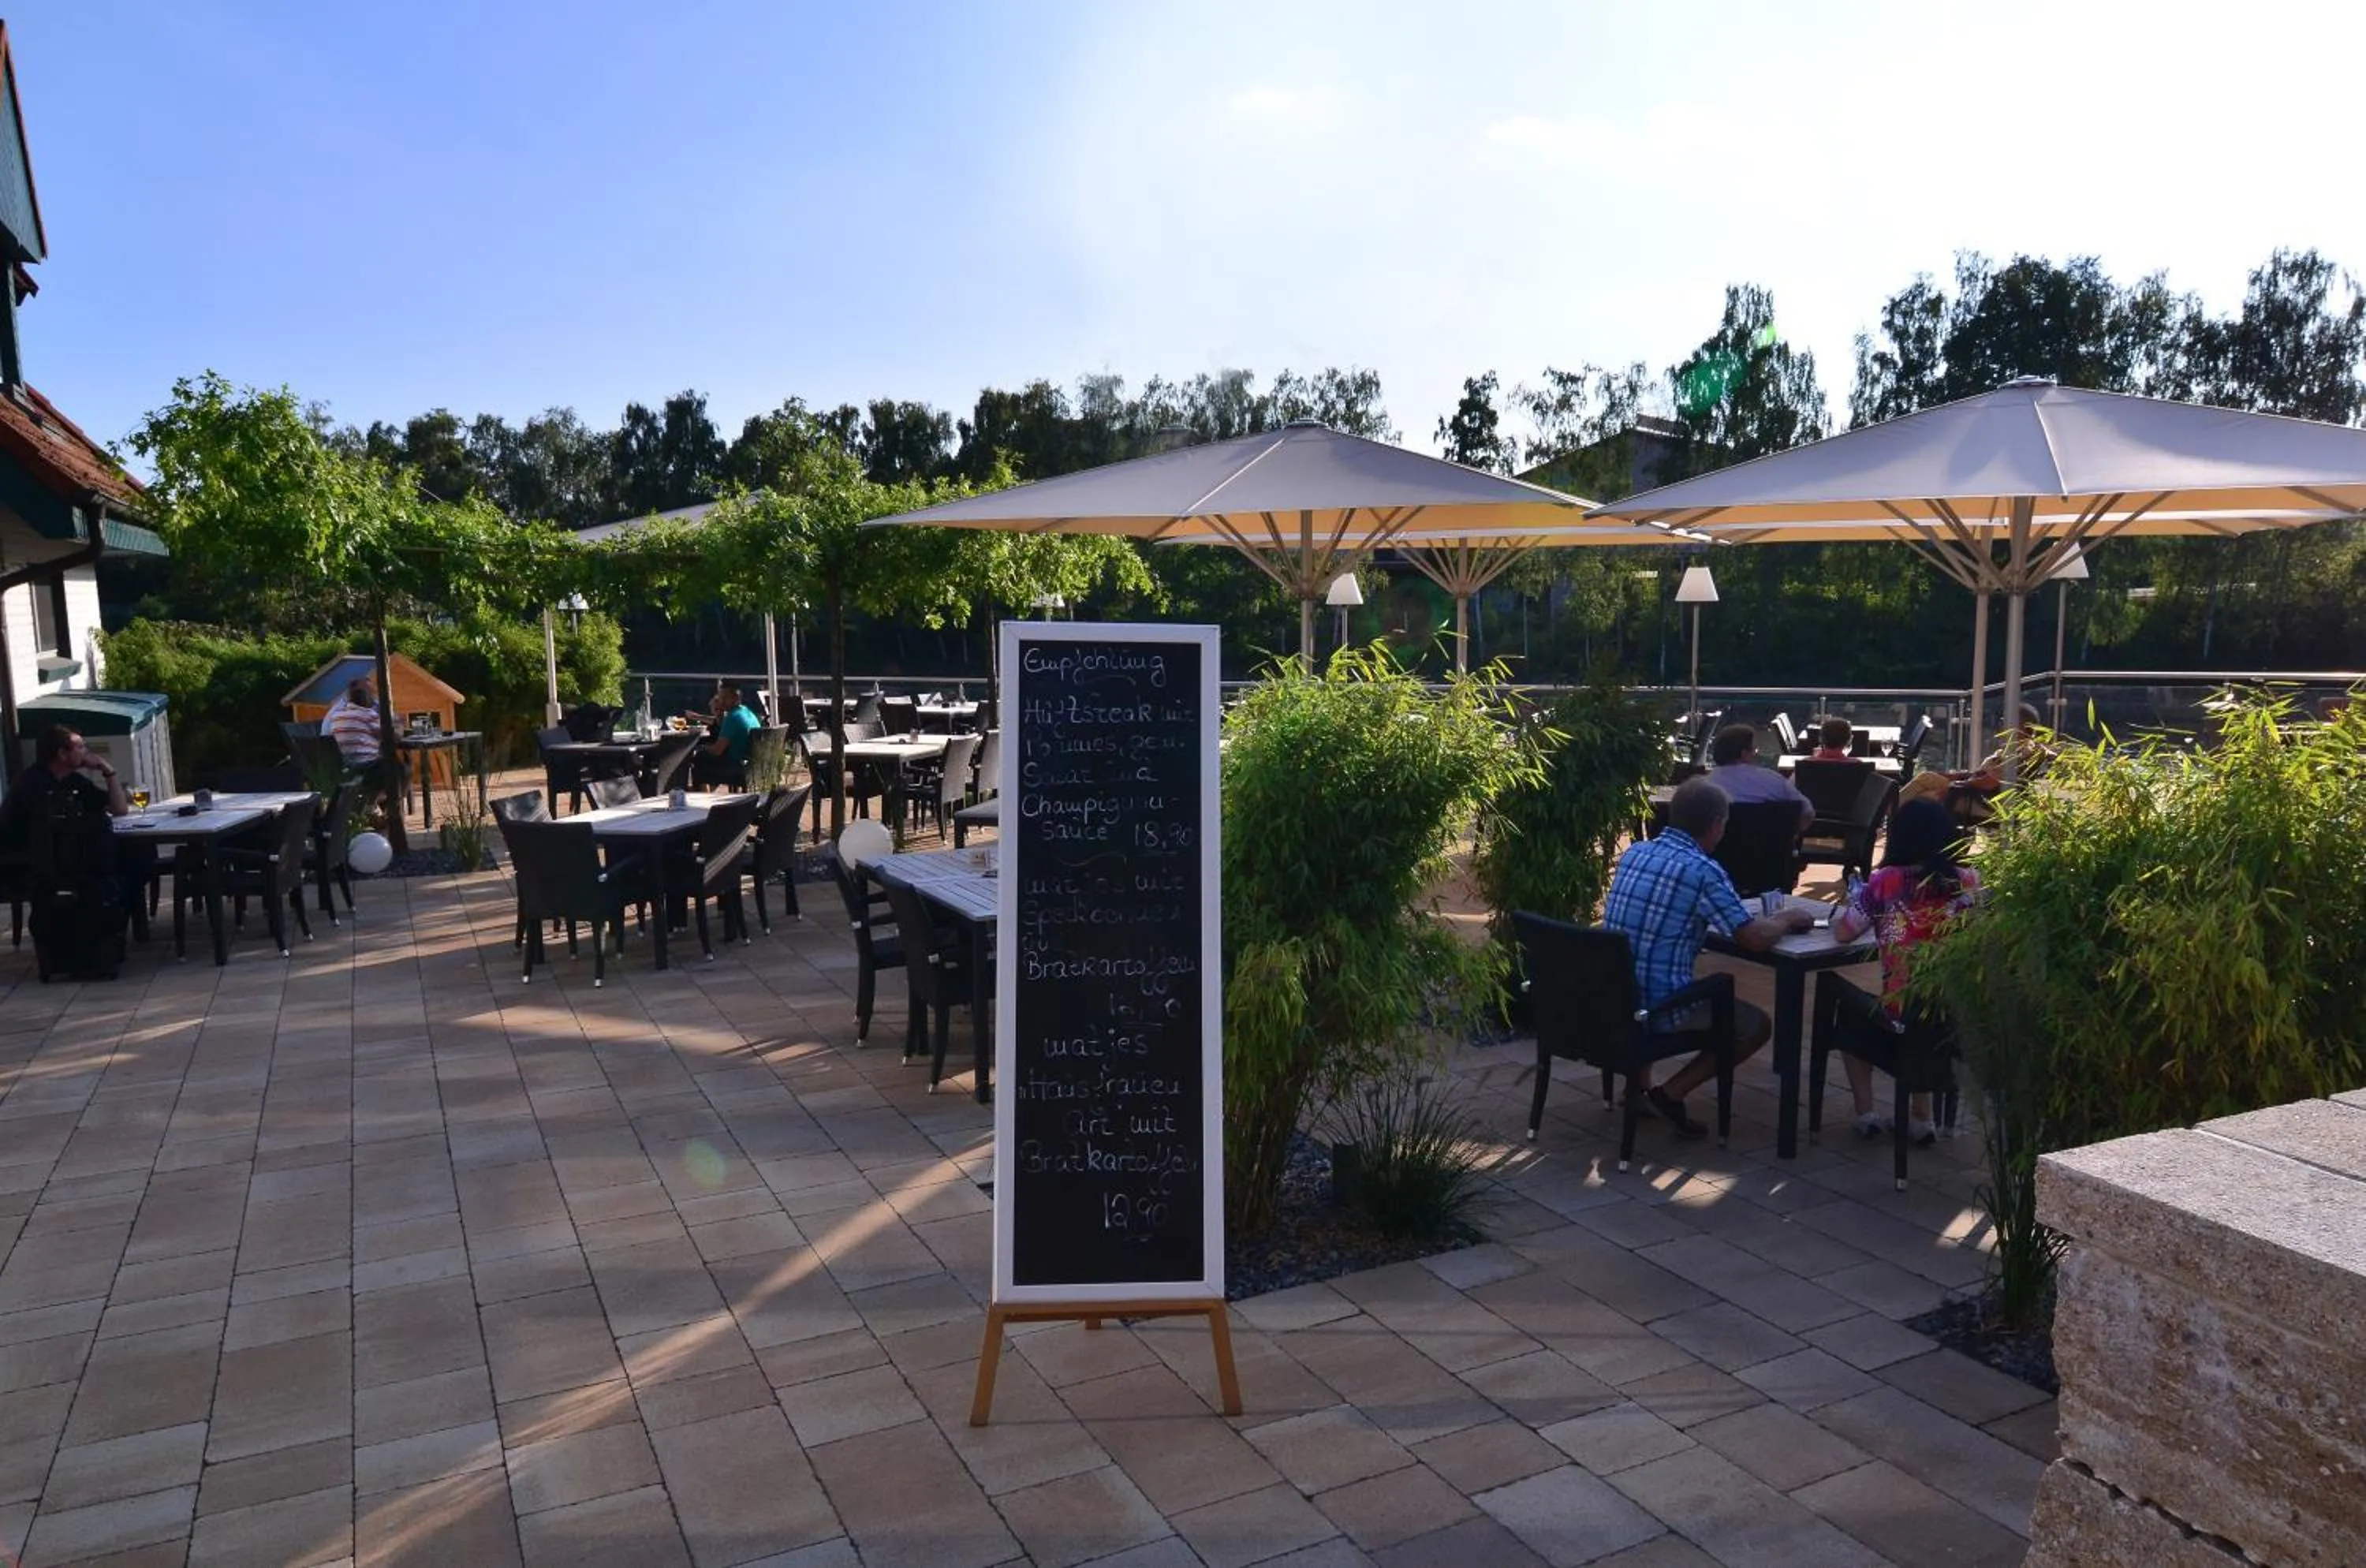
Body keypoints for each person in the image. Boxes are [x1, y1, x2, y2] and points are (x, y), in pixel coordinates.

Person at [1602, 778, 1816, 1137]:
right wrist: (1787, 918)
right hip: (1659, 1006)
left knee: (1648, 959)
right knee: (1754, 1026)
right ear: (1717, 825)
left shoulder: (1637, 852)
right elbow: (1752, 938)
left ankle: (1635, 1091)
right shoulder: (1702, 871)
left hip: (1616, 995)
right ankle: (1669, 1094)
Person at [1816, 798, 1981, 1142]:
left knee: (1849, 1009)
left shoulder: (1885, 882)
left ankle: (1867, 1114)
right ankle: (1922, 1118)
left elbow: (1844, 933)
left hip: (1902, 1014)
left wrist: (1855, 903)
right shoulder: (1969, 883)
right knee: (1917, 1014)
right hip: (1955, 1015)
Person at [1704, 723, 1815, 831]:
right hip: (1772, 848)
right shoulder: (1774, 781)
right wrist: (1789, 837)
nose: (1755, 754)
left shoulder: (1703, 788)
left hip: (1721, 849)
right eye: (1754, 750)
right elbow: (1807, 811)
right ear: (1744, 754)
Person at [692, 685, 760, 790]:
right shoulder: (747, 712)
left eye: (725, 698)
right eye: (720, 698)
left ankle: (701, 797)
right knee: (705, 759)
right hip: (751, 764)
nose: (721, 701)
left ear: (736, 699)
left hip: (736, 767)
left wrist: (701, 748)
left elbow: (717, 751)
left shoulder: (732, 717)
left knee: (699, 758)